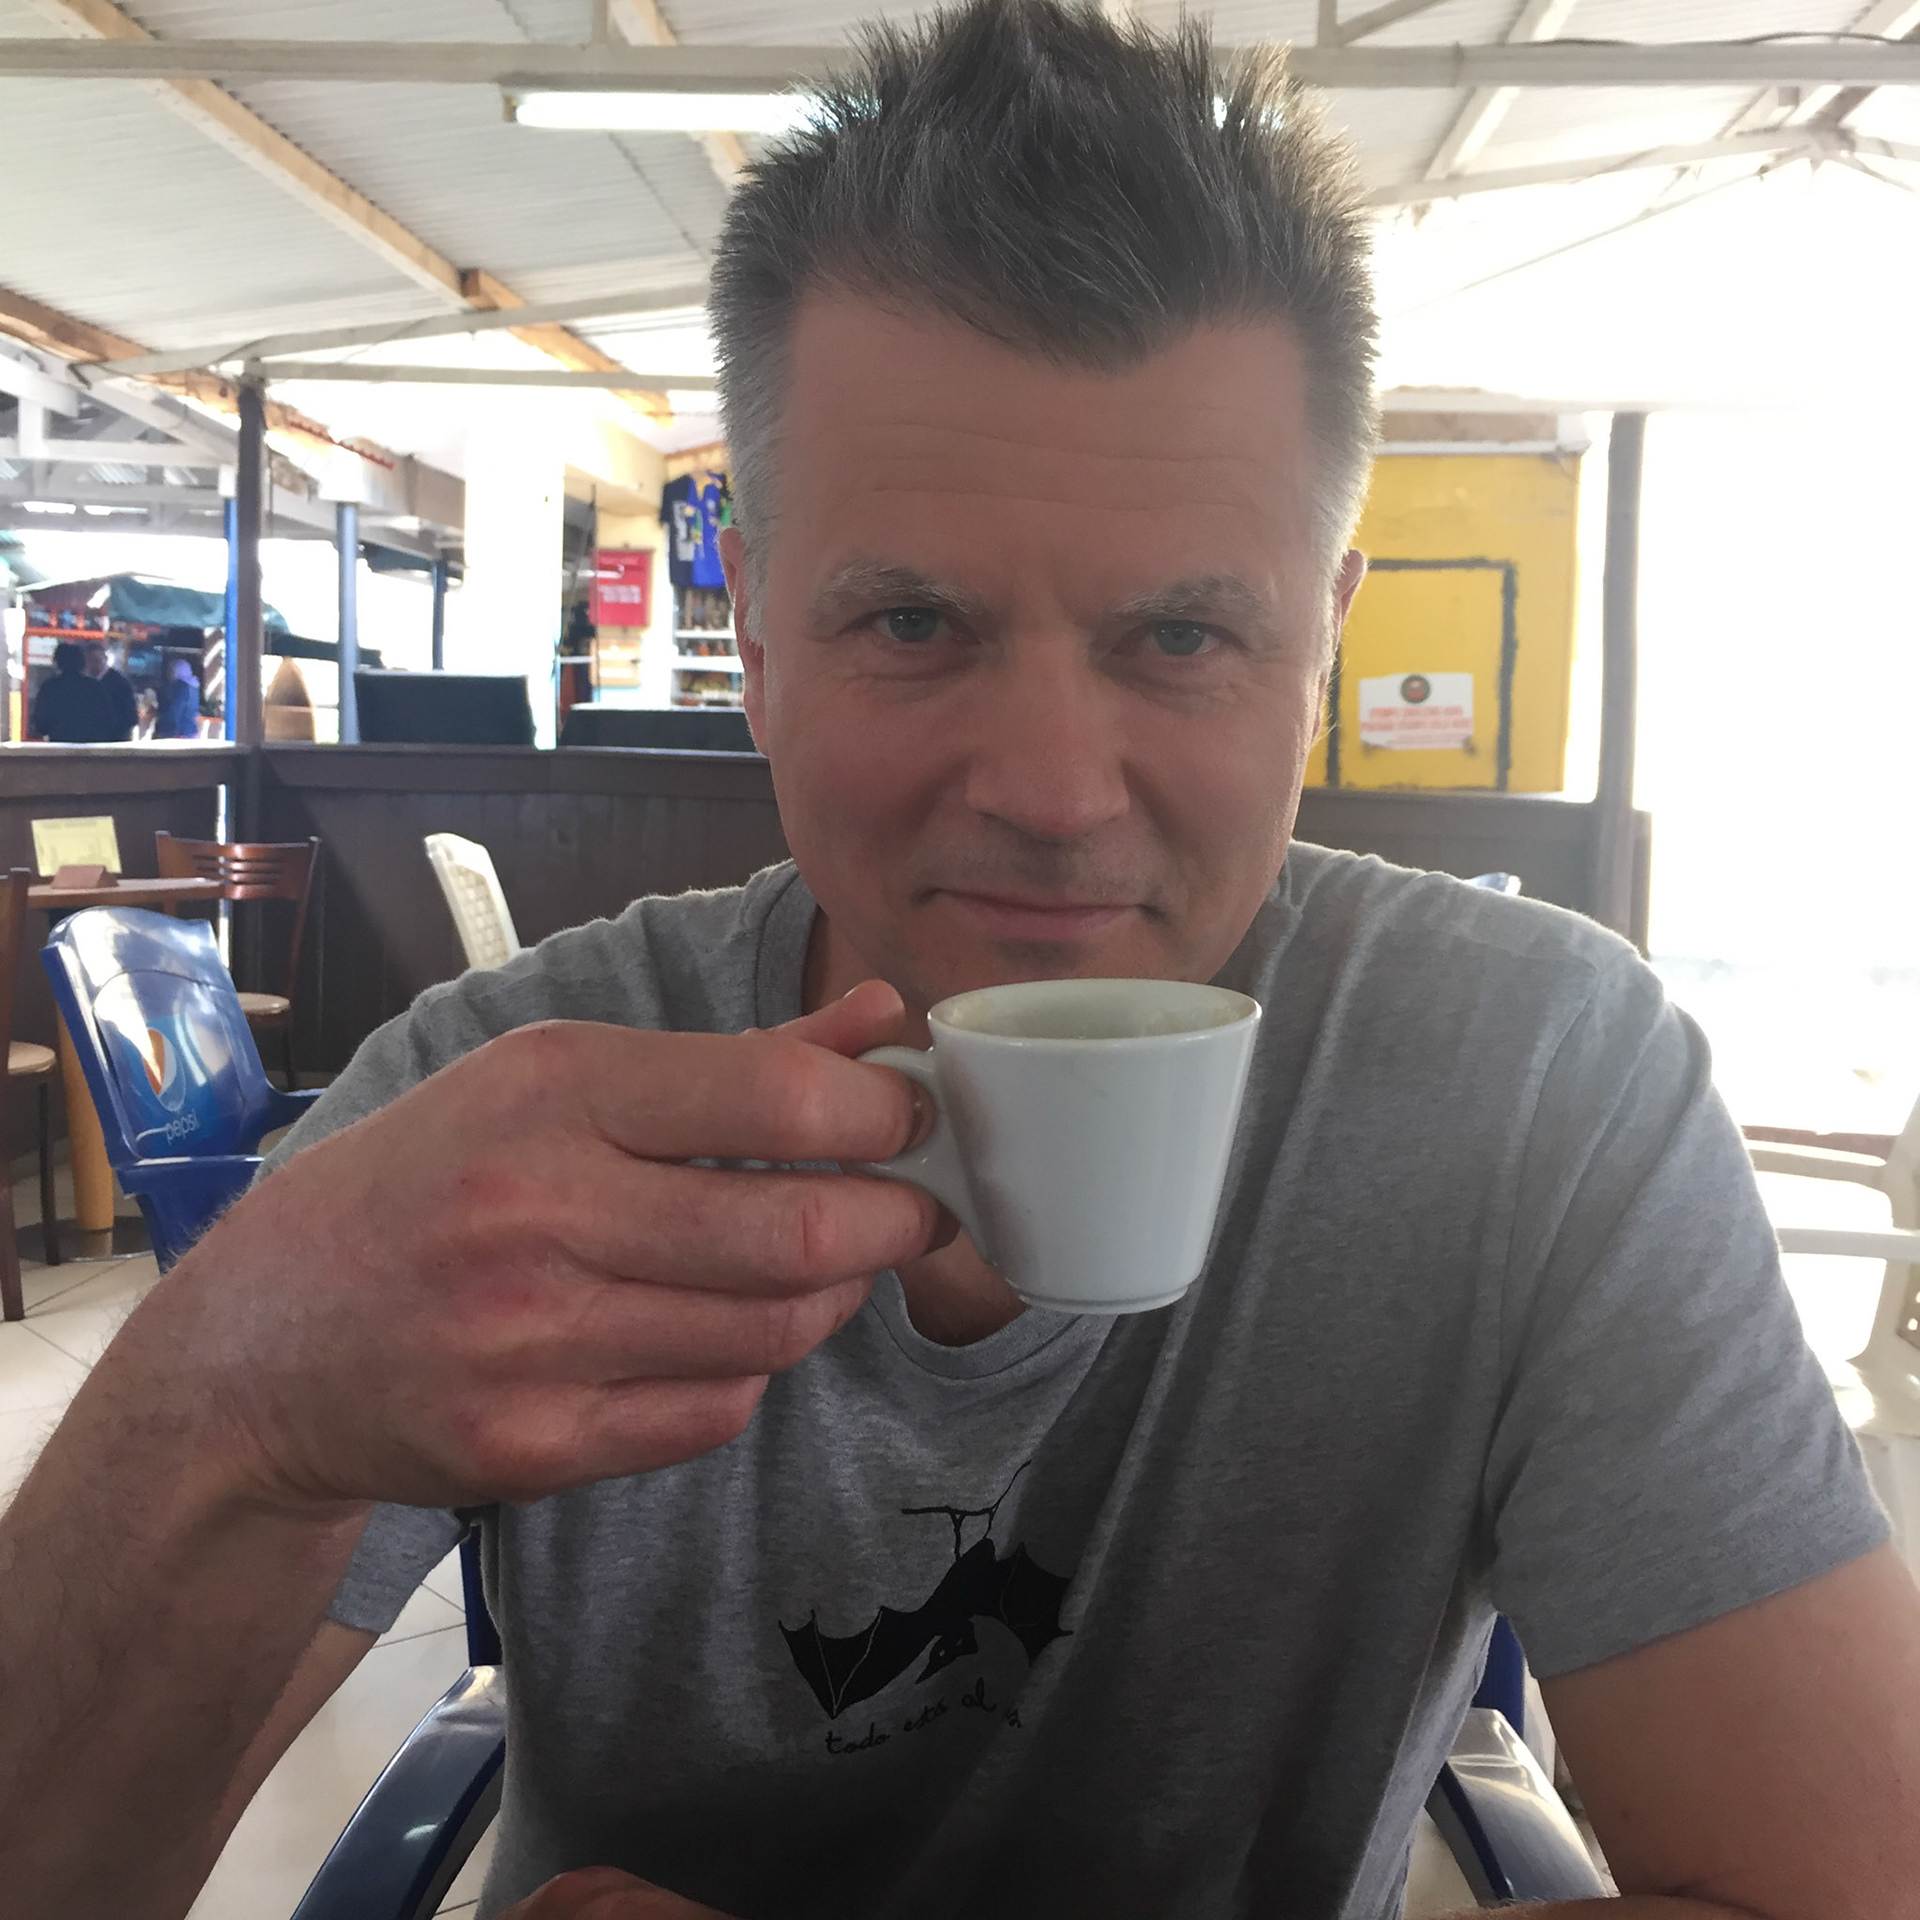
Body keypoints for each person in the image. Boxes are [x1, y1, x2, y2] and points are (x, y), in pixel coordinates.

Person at [3, 6, 1918, 1919]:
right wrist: (226, 1392)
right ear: (761, 646)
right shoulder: (502, 1095)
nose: (1055, 796)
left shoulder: (1541, 1092)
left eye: (1184, 637)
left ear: (1319, 650)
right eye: (913, 622)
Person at [27, 638, 110, 742]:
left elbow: (41, 724)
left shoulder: (50, 687)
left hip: (59, 743)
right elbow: (106, 720)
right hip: (89, 745)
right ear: (82, 662)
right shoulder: (95, 687)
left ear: (57, 662)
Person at [80, 638, 138, 741]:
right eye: (89, 661)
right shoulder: (86, 683)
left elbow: (130, 716)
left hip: (114, 739)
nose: (92, 665)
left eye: (96, 660)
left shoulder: (120, 683)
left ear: (105, 659)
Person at [153, 654, 202, 739]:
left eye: (171, 670)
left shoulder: (181, 686)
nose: (168, 673)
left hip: (178, 732)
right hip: (190, 731)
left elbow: (175, 710)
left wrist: (163, 727)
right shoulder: (193, 686)